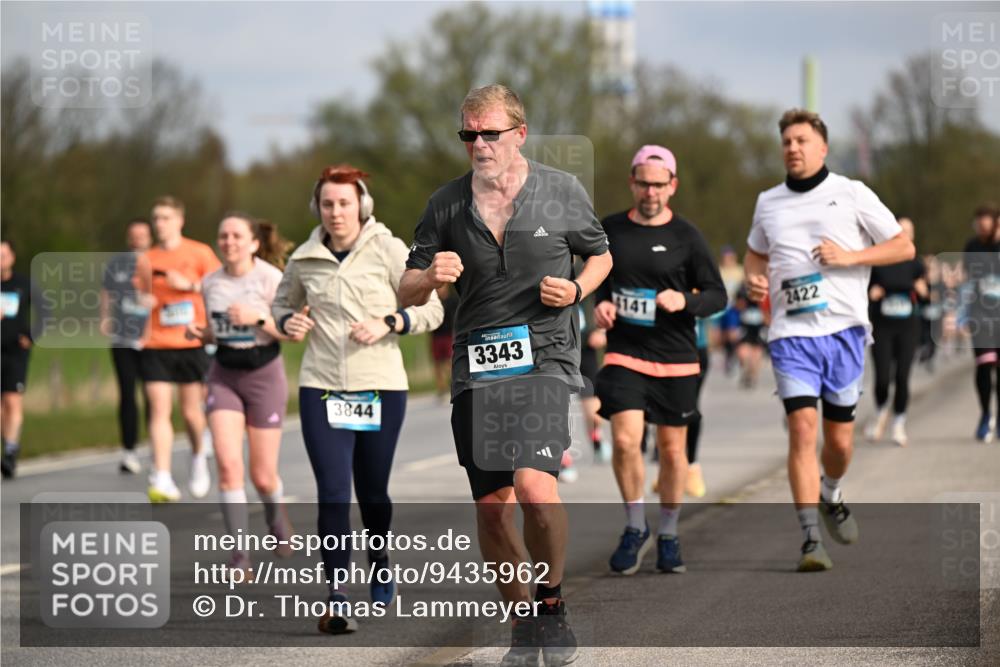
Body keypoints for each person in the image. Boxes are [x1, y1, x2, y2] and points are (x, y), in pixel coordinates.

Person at [399, 84, 611, 666]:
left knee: (538, 492)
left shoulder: (561, 190)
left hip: (545, 356)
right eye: (469, 134)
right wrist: (428, 276)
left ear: (519, 133)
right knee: (493, 506)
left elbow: (601, 254)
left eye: (489, 133)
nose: (479, 144)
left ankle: (553, 603)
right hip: (477, 366)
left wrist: (576, 289)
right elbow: (407, 285)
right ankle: (523, 623)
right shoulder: (445, 203)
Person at [273, 165, 442, 635]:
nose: (336, 212)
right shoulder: (304, 258)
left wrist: (390, 322)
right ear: (318, 208)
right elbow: (280, 305)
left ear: (361, 205)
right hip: (321, 384)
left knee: (372, 493)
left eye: (344, 203)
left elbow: (431, 307)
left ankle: (380, 553)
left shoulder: (388, 250)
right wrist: (289, 322)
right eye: (327, 204)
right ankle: (337, 593)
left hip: (380, 387)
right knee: (331, 493)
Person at [744, 109, 914, 572]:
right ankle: (809, 540)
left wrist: (851, 257)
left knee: (838, 443)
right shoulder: (768, 201)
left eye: (801, 140)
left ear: (822, 147)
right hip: (791, 334)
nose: (793, 148)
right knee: (802, 430)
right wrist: (755, 281)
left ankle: (831, 493)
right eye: (786, 142)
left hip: (843, 332)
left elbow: (903, 246)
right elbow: (756, 255)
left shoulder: (851, 193)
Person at [593, 145, 726, 576]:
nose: (650, 191)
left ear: (672, 187)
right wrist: (602, 305)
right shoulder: (609, 229)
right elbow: (598, 278)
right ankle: (635, 526)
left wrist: (685, 300)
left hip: (676, 358)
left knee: (672, 453)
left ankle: (668, 532)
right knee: (627, 440)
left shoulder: (687, 237)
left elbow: (716, 295)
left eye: (658, 184)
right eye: (643, 183)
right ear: (632, 183)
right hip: (625, 352)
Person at [186, 213, 295, 574]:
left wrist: (258, 319)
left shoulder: (270, 278)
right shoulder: (210, 283)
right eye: (223, 235)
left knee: (262, 476)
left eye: (236, 236)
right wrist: (200, 334)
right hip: (224, 376)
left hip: (264, 375)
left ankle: (274, 514)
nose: (229, 241)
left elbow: (292, 331)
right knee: (229, 467)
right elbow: (218, 333)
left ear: (252, 243)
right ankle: (240, 557)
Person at [134, 196, 221, 502]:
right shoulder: (146, 258)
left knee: (191, 413)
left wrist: (190, 285)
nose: (160, 223)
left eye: (166, 218)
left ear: (180, 221)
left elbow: (219, 288)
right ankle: (162, 476)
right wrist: (143, 301)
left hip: (190, 340)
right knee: (158, 409)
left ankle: (198, 456)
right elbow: (137, 295)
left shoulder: (200, 253)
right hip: (156, 342)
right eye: (156, 218)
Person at [863, 217, 928, 447]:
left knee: (902, 377)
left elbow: (925, 297)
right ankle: (881, 409)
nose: (904, 233)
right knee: (882, 378)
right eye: (900, 229)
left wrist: (923, 291)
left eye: (909, 230)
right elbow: (865, 291)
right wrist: (872, 293)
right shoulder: (878, 262)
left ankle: (899, 421)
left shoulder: (917, 263)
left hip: (907, 327)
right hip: (882, 326)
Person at [101, 219, 154, 474]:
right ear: (128, 237)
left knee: (154, 395)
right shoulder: (117, 263)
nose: (137, 239)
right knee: (127, 394)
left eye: (142, 234)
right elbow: (106, 292)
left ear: (149, 237)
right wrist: (105, 318)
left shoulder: (159, 261)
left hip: (153, 341)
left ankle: (157, 448)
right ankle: (129, 450)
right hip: (122, 338)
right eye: (133, 235)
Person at [1, 239, 45, 478]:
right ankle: (8, 441)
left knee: (12, 400)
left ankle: (10, 451)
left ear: (12, 257)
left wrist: (31, 335)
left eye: (3, 255)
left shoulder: (23, 284)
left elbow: (45, 312)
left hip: (15, 351)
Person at [960, 203, 1000, 442]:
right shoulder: (972, 246)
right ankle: (986, 414)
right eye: (979, 223)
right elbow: (970, 280)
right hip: (981, 315)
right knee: (984, 365)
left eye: (988, 222)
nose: (982, 227)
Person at [733, 282, 768, 389]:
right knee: (742, 353)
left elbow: (768, 310)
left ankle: (752, 376)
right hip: (746, 326)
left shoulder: (765, 288)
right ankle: (745, 370)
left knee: (756, 353)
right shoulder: (743, 289)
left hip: (759, 327)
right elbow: (737, 306)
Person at [430, 284, 459, 400]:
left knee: (449, 362)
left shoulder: (453, 301)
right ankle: (441, 388)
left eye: (440, 287)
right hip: (436, 336)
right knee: (437, 364)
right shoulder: (434, 302)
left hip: (449, 335)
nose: (438, 290)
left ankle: (453, 384)